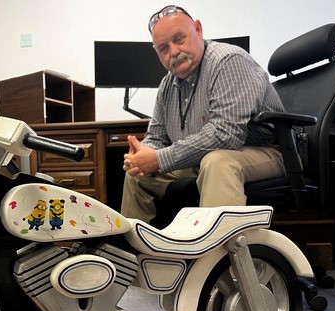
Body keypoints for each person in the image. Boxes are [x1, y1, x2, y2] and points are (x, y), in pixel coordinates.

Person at [121, 5, 286, 223]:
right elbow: (157, 136)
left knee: (217, 161)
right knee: (137, 176)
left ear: (198, 29)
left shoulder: (229, 61)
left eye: (179, 39)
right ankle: (139, 253)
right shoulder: (167, 85)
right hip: (202, 159)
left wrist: (159, 158)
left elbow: (225, 135)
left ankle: (220, 254)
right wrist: (142, 156)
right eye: (163, 48)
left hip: (265, 153)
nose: (174, 52)